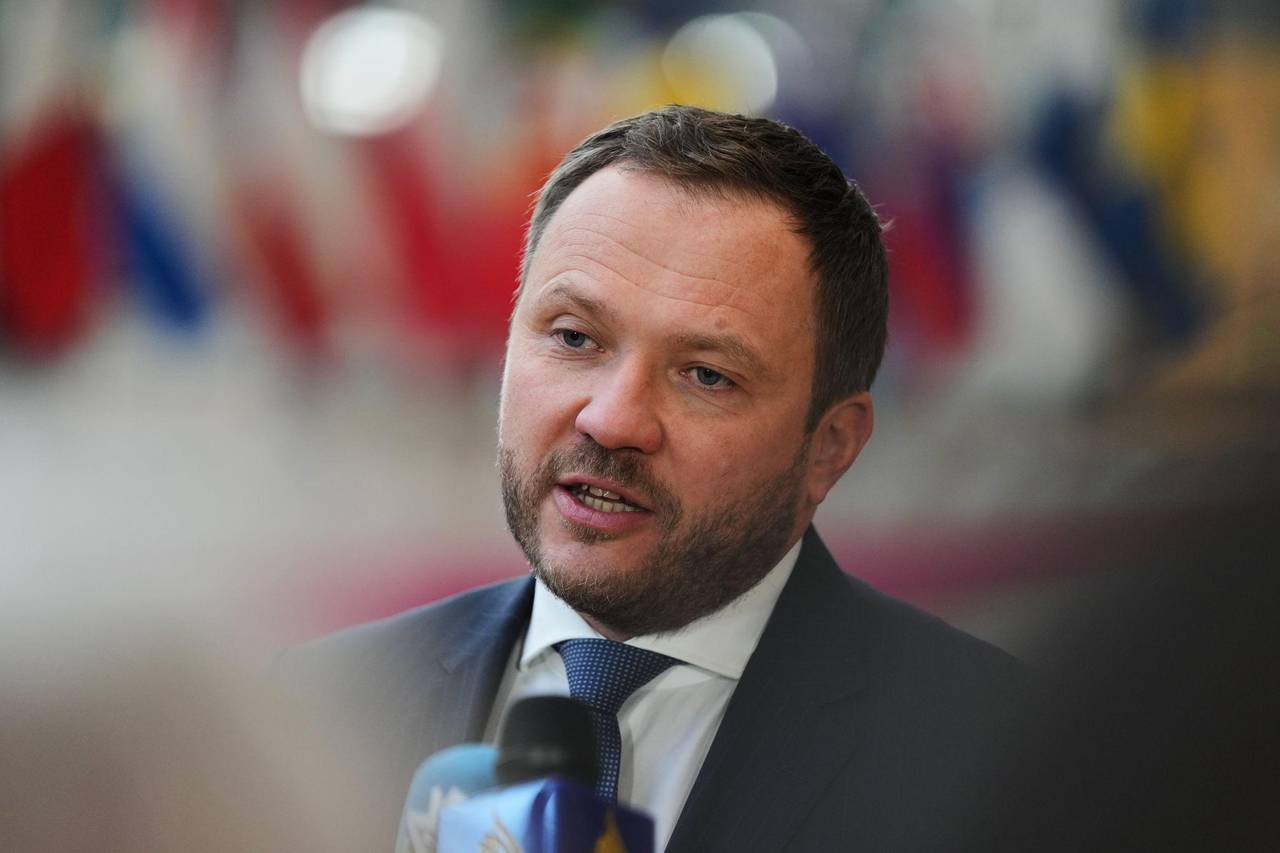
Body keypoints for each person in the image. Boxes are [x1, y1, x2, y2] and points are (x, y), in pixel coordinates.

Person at [283, 105, 1023, 852]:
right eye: (574, 336)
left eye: (706, 375)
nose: (612, 420)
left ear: (829, 447)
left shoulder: (1008, 757)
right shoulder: (316, 708)